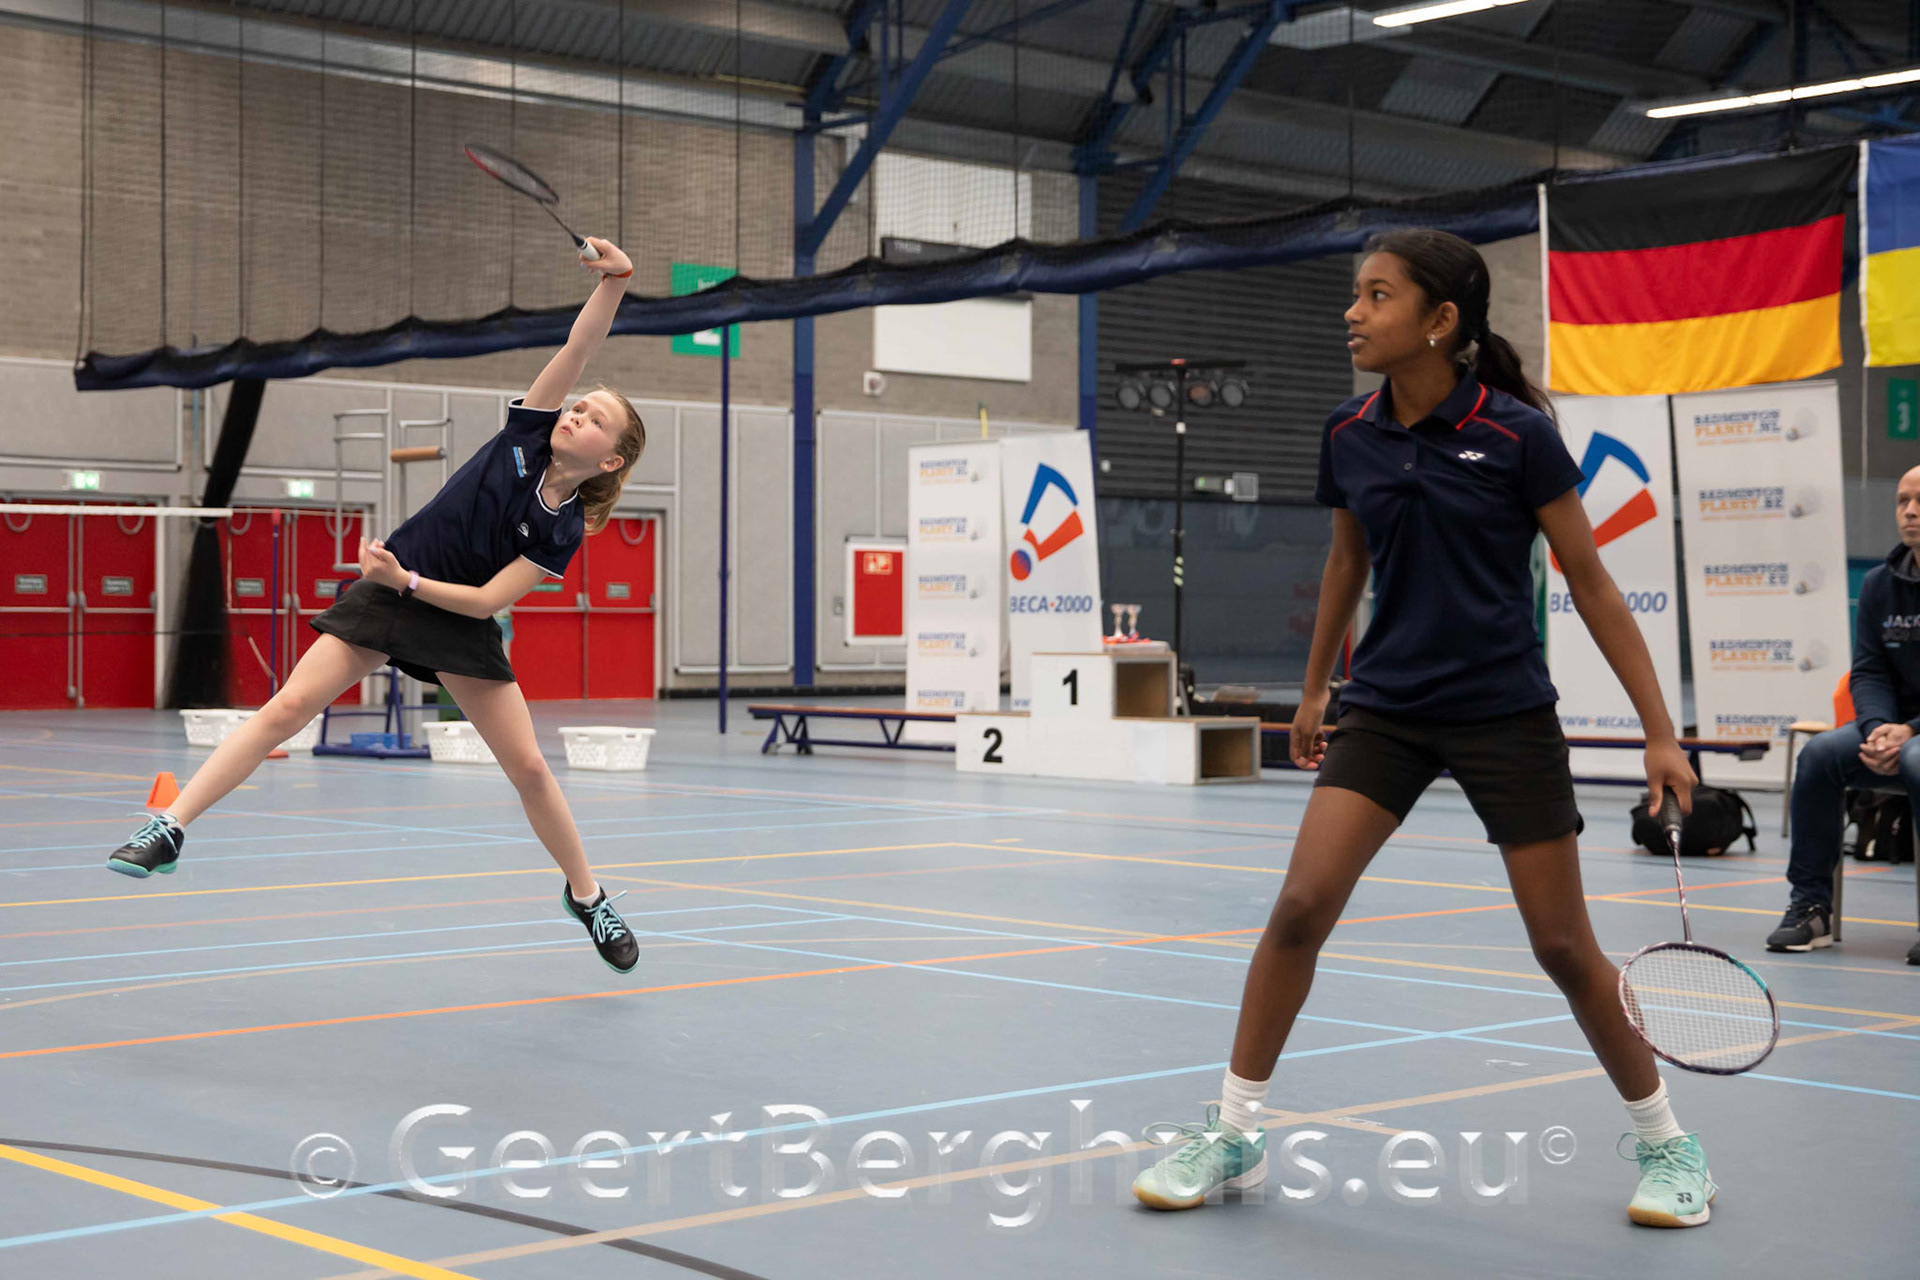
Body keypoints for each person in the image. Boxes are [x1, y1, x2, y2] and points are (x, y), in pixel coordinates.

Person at [1130, 229, 1714, 1227]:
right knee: (1300, 905)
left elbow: (1592, 582)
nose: (1352, 313)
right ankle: (1233, 1130)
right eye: (1356, 294)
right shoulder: (1349, 431)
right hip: (1388, 709)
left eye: (1376, 295)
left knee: (1563, 945)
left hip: (1503, 712)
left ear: (1440, 320)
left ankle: (1670, 1144)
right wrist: (1314, 689)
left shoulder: (1517, 435)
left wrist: (1662, 731)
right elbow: (1344, 563)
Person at [104, 237, 650, 975]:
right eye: (578, 406)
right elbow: (579, 347)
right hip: (394, 589)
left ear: (610, 459)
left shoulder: (562, 529)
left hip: (446, 609)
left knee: (529, 768)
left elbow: (488, 600)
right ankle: (168, 827)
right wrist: (615, 282)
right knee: (288, 708)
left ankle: (587, 897)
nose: (577, 413)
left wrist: (409, 582)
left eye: (594, 419)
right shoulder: (524, 434)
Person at [1767, 463, 1920, 964]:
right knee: (1820, 755)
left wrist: (1909, 732)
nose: (1910, 511)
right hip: (1892, 731)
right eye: (1902, 501)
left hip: (1913, 738)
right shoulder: (1879, 584)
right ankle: (1811, 907)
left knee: (1917, 759)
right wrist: (1877, 730)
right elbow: (1869, 672)